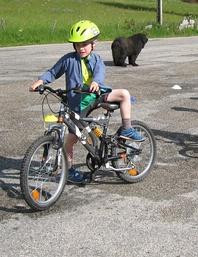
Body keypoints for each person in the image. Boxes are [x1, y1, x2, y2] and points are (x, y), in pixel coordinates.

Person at [29, 20, 144, 184]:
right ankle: (68, 171)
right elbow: (53, 72)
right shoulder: (68, 60)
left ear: (93, 44)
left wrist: (96, 83)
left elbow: (99, 72)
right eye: (77, 45)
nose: (81, 48)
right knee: (71, 141)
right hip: (78, 103)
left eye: (84, 44)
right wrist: (40, 82)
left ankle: (127, 129)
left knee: (124, 94)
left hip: (96, 96)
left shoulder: (96, 59)